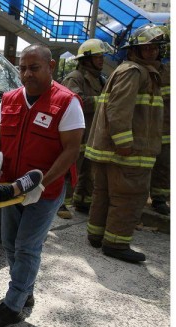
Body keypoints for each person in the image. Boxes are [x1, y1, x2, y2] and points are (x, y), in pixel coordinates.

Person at [0, 44, 85, 327]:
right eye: (22, 68)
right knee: (9, 243)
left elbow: (71, 150)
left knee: (27, 247)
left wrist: (43, 184)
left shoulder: (66, 102)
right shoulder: (10, 99)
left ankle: (13, 305)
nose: (27, 74)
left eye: (34, 68)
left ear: (51, 67)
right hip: (11, 188)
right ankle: (24, 289)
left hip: (45, 191)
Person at [84, 24, 167, 262]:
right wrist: (124, 144)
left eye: (155, 48)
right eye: (146, 48)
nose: (151, 52)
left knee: (105, 194)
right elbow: (119, 110)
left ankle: (97, 236)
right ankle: (116, 244)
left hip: (115, 152)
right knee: (128, 197)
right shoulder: (134, 72)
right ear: (134, 51)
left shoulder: (133, 70)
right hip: (127, 153)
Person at [58, 38, 110, 218]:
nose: (101, 60)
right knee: (68, 169)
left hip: (91, 132)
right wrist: (103, 102)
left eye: (102, 56)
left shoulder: (100, 79)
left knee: (87, 170)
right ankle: (59, 203)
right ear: (86, 59)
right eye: (97, 57)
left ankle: (82, 201)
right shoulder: (75, 78)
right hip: (75, 133)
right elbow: (74, 102)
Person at [149, 31, 170, 215]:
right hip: (145, 129)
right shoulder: (139, 71)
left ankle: (159, 198)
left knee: (164, 165)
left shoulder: (169, 72)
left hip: (166, 129)